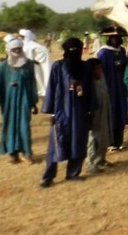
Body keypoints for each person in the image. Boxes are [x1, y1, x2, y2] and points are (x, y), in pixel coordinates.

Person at [40, 38, 93, 188]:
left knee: (78, 142)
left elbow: (90, 91)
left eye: (77, 49)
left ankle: (73, 173)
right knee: (55, 145)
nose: (74, 52)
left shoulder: (85, 67)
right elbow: (51, 88)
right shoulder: (58, 67)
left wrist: (90, 111)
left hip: (80, 111)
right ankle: (48, 177)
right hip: (61, 111)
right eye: (72, 49)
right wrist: (51, 113)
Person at [0, 38, 38, 164]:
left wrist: (33, 102)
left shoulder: (29, 64)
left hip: (24, 100)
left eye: (19, 49)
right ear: (9, 50)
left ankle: (27, 153)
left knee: (24, 126)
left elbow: (32, 84)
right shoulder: (3, 66)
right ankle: (12, 154)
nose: (17, 51)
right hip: (8, 101)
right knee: (9, 125)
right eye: (14, 49)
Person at [97, 26, 128, 151]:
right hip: (109, 87)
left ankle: (119, 141)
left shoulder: (122, 51)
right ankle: (110, 142)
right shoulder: (103, 52)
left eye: (117, 37)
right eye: (113, 37)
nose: (115, 40)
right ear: (109, 38)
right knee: (111, 114)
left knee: (121, 114)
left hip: (120, 87)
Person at [85, 58, 112, 174]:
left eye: (101, 68)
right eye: (97, 69)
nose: (99, 71)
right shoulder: (87, 82)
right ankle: (92, 163)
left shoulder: (102, 78)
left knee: (104, 135)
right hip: (94, 113)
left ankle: (101, 159)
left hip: (104, 110)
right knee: (93, 138)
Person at [19, 29, 51, 98]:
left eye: (22, 36)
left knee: (38, 77)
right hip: (28, 64)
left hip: (34, 64)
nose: (21, 38)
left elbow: (44, 51)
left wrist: (36, 60)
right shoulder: (24, 44)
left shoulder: (32, 44)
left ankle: (43, 91)